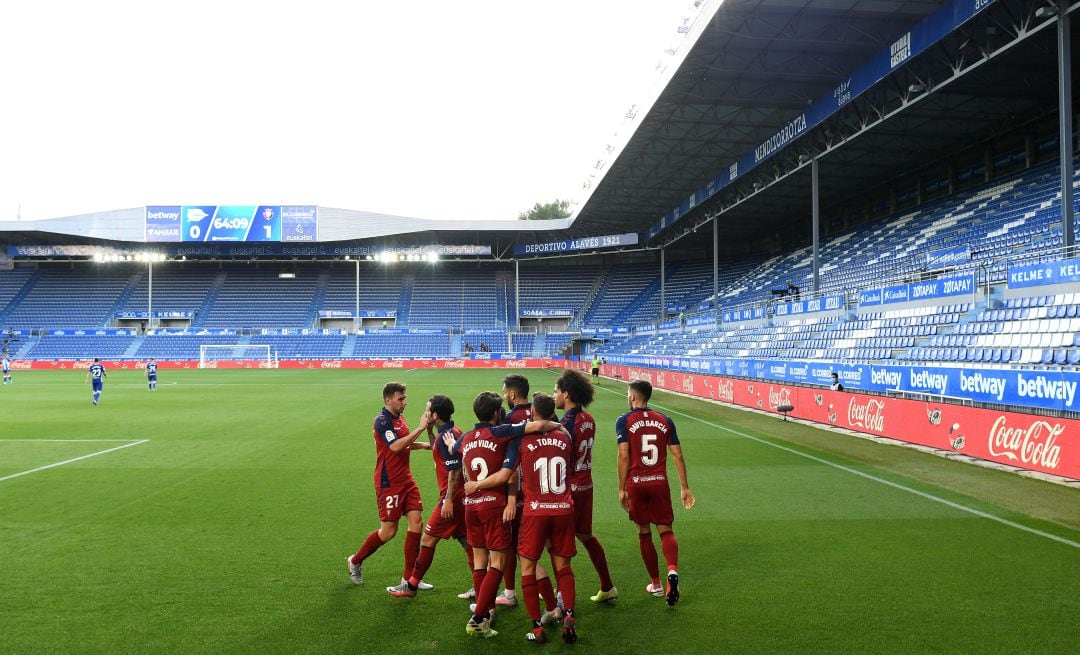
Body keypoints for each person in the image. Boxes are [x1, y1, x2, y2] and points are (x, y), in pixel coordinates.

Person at [444, 391, 562, 639]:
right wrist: (560, 425)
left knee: (480, 561)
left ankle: (485, 613)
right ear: (498, 413)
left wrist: (448, 444)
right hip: (497, 507)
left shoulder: (465, 438)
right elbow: (539, 425)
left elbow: (452, 449)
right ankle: (480, 617)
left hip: (471, 506)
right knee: (508, 561)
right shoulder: (502, 433)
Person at [467, 392, 578, 643]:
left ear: (532, 413)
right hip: (563, 509)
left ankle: (537, 628)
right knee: (564, 567)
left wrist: (477, 485)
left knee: (527, 567)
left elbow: (508, 474)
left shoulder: (522, 440)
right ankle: (568, 614)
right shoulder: (565, 437)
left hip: (535, 510)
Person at [347, 382, 434, 592]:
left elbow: (402, 442)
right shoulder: (382, 421)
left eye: (405, 397)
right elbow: (395, 446)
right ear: (388, 400)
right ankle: (355, 561)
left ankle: (409, 579)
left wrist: (425, 445)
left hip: (406, 480)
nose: (405, 402)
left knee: (417, 523)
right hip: (389, 483)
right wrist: (421, 428)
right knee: (388, 532)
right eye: (400, 398)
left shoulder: (399, 418)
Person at [617, 379, 695, 607]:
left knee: (643, 531)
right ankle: (672, 571)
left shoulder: (624, 421)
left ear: (632, 397)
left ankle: (656, 584)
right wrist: (685, 487)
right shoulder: (665, 420)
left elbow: (623, 455)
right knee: (666, 530)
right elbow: (678, 455)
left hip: (636, 483)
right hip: (659, 482)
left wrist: (621, 488)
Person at [389, 395, 474, 598]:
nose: (425, 413)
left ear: (435, 415)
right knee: (467, 542)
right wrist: (428, 430)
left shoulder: (446, 437)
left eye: (428, 410)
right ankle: (480, 586)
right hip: (460, 498)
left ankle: (411, 586)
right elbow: (437, 450)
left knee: (427, 539)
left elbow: (454, 471)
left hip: (452, 498)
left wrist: (448, 501)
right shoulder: (451, 432)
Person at [554, 368, 617, 602]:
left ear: (567, 394)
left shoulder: (566, 424)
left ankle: (562, 595)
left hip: (569, 489)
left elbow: (562, 458)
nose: (554, 396)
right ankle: (607, 586)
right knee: (585, 535)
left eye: (556, 391)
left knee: (559, 542)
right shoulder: (587, 419)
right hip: (586, 485)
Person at [491, 374, 533, 608]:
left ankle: (509, 593)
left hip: (516, 493)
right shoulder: (540, 414)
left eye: (505, 391)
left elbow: (510, 461)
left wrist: (510, 499)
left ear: (512, 394)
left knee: (511, 545)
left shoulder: (511, 419)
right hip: (542, 490)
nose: (504, 395)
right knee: (544, 545)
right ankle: (554, 595)